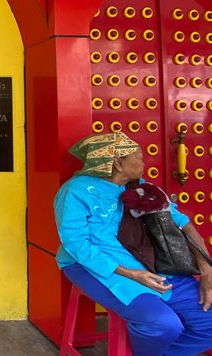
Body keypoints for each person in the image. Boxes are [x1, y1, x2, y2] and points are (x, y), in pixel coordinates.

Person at [54, 132, 212, 356]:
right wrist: (132, 274)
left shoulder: (143, 189)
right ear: (118, 163)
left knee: (209, 322)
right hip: (92, 265)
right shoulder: (76, 191)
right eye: (139, 158)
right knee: (163, 324)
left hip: (148, 261)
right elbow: (75, 243)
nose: (144, 163)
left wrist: (206, 269)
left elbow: (184, 225)